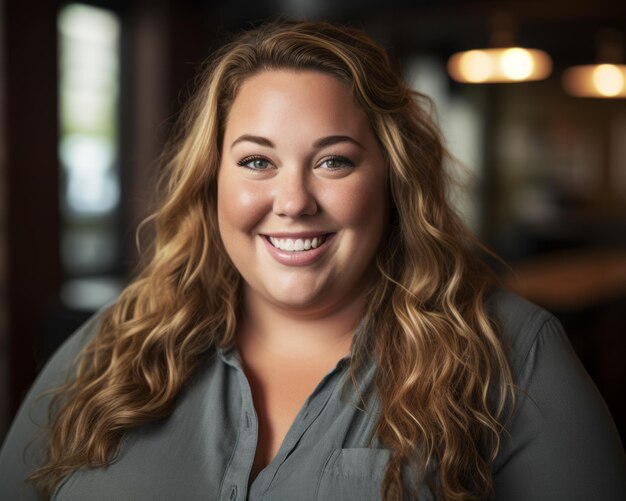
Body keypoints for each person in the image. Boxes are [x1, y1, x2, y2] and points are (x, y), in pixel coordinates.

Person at [1, 20, 624, 501]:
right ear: (212, 180)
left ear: (392, 180)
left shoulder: (512, 353)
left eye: (334, 160)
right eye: (256, 162)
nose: (293, 201)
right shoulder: (120, 338)